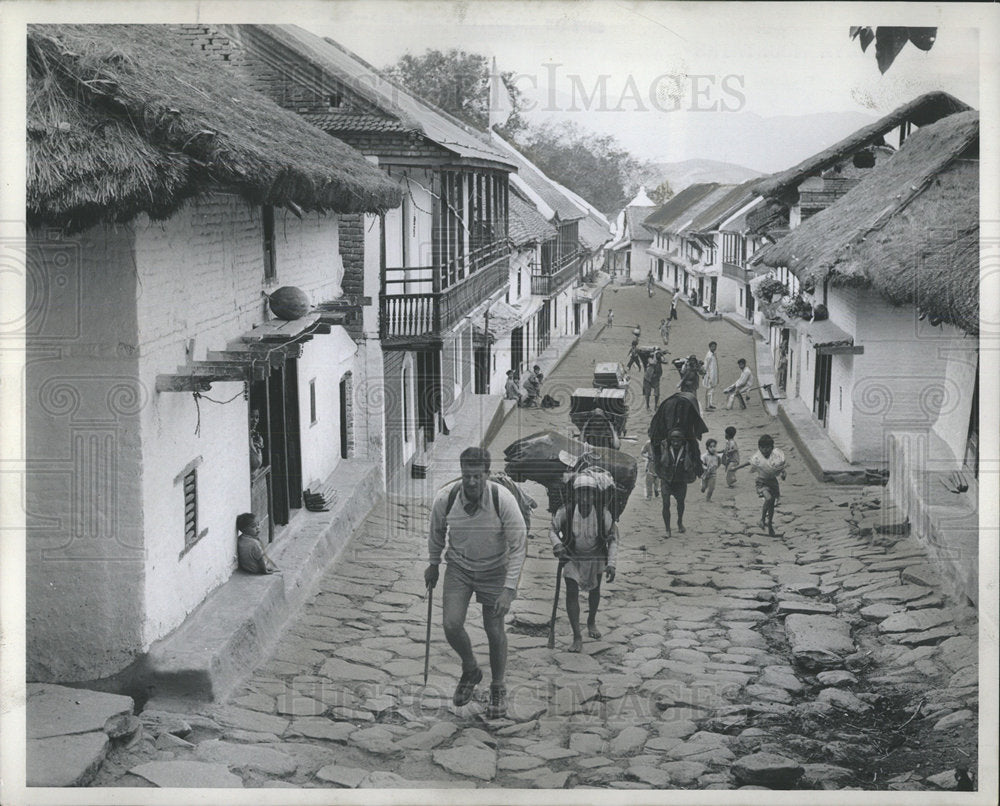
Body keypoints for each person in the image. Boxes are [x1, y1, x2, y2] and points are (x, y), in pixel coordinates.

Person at [425, 447, 527, 718]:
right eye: (467, 475)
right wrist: (433, 564)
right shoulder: (446, 499)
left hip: (495, 570)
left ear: (486, 474)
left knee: (494, 631)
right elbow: (436, 532)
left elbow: (519, 545)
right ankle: (470, 668)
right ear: (461, 473)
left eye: (477, 476)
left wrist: (509, 589)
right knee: (451, 624)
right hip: (459, 567)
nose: (471, 482)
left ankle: (498, 685)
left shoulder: (502, 499)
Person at [549, 474, 618, 653]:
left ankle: (591, 621)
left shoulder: (603, 514)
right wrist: (557, 544)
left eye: (589, 494)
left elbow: (613, 538)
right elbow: (552, 529)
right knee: (572, 592)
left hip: (595, 556)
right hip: (572, 555)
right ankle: (576, 636)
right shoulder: (567, 511)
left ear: (595, 495)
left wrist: (611, 563)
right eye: (581, 494)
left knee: (595, 591)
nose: (585, 498)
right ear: (576, 495)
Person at [655, 428, 701, 537]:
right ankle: (667, 529)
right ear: (670, 440)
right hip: (667, 480)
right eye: (673, 440)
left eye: (678, 440)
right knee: (666, 504)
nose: (676, 443)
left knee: (680, 503)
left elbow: (687, 466)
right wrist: (666, 449)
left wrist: (687, 451)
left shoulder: (686, 450)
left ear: (682, 441)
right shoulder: (665, 448)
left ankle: (680, 522)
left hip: (680, 481)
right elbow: (663, 463)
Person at [748, 435, 787, 537]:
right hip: (761, 482)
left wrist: (783, 473)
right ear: (759, 448)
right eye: (763, 448)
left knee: (771, 505)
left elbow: (780, 466)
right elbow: (748, 463)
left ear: (772, 448)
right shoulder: (757, 458)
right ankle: (762, 519)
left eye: (768, 448)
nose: (765, 450)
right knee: (768, 499)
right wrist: (735, 468)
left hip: (773, 482)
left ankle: (769, 525)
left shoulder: (775, 456)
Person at [701, 341, 719, 411]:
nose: (714, 348)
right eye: (713, 346)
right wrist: (707, 375)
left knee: (712, 390)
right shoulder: (709, 355)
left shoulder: (713, 354)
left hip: (713, 375)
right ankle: (706, 406)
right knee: (708, 390)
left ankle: (710, 404)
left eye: (715, 346)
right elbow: (706, 366)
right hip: (709, 375)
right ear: (710, 347)